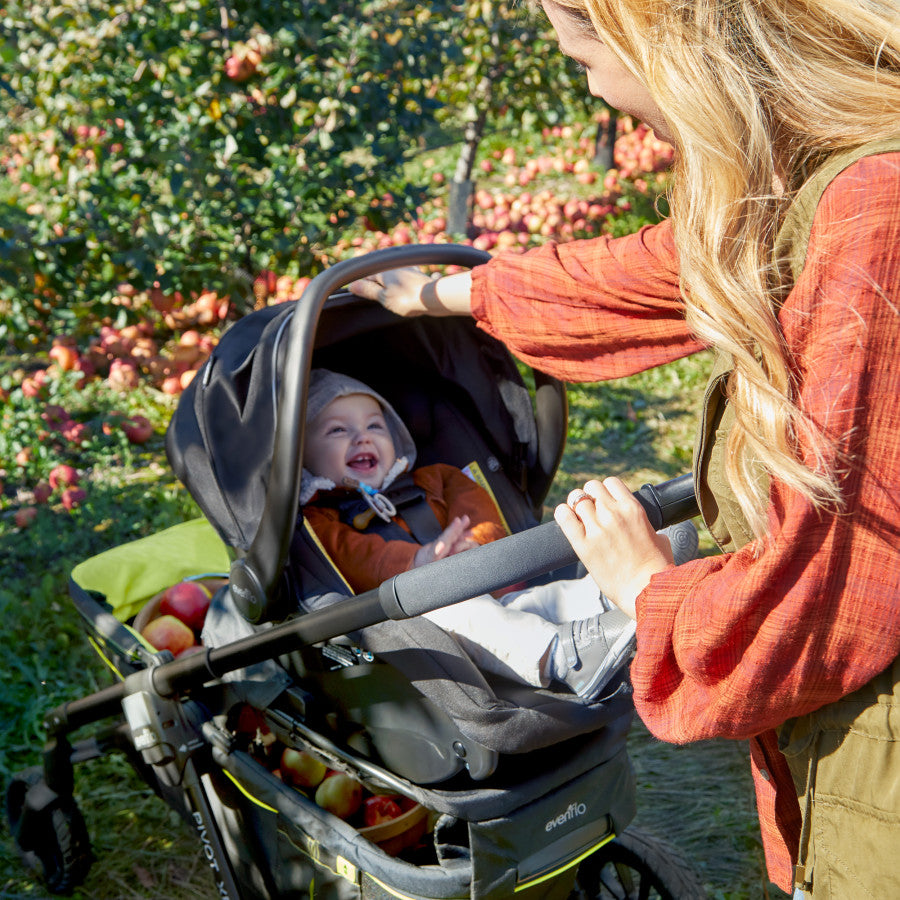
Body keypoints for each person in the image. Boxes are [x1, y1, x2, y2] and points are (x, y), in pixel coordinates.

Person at [348, 2, 900, 896]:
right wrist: (443, 297)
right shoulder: (831, 179)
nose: (597, 92)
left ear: (657, 43)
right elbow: (674, 264)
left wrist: (648, 592)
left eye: (582, 57)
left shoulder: (876, 216)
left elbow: (836, 589)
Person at [299, 368, 698, 702]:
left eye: (374, 425)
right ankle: (564, 659)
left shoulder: (435, 477)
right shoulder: (319, 520)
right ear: (304, 455)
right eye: (338, 431)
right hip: (428, 628)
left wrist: (475, 546)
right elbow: (353, 558)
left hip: (499, 596)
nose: (362, 437)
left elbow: (478, 509)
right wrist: (417, 564)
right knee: (450, 607)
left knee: (542, 602)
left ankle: (608, 596)